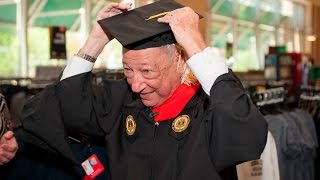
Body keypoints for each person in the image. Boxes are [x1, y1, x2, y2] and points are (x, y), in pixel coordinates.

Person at [14, 1, 267, 179]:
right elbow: (63, 106)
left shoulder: (208, 107)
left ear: (180, 60)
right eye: (127, 70)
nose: (135, 84)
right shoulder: (123, 99)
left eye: (147, 72)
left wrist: (194, 44)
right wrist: (97, 39)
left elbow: (246, 137)